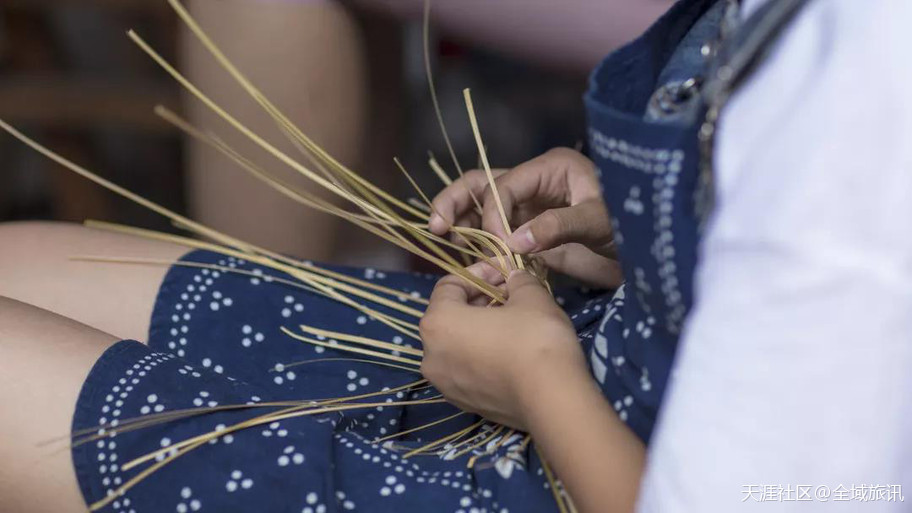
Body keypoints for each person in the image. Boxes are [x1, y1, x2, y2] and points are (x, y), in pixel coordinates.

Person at [2, 1, 910, 512]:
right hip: (600, 372)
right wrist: (645, 241)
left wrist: (537, 380)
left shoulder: (856, 145)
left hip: (557, 459)